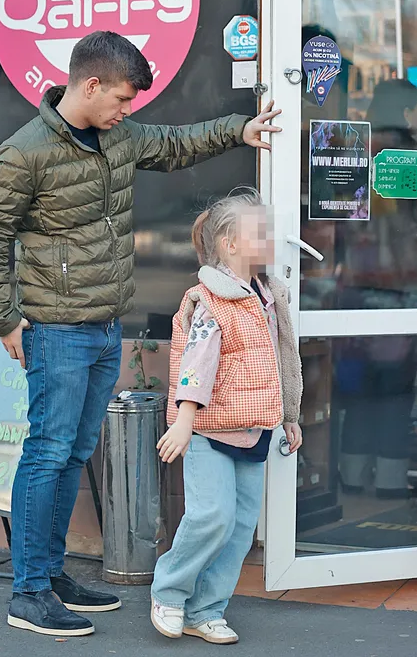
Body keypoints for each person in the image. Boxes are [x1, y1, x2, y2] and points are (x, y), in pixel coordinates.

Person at [0, 31, 283, 638]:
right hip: (56, 330)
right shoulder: (23, 153)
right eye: (122, 99)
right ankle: (28, 593)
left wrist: (238, 130)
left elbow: (175, 143)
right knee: (48, 453)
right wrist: (3, 318)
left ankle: (51, 575)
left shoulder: (119, 136)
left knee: (73, 453)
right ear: (90, 85)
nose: (127, 110)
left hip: (106, 327)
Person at [150, 188, 303, 645]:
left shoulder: (267, 296)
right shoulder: (211, 300)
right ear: (230, 243)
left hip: (254, 429)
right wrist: (183, 421)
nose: (271, 238)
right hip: (209, 430)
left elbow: (283, 360)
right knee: (211, 516)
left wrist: (289, 415)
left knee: (238, 529)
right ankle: (170, 593)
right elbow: (195, 364)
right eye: (262, 232)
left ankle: (206, 609)